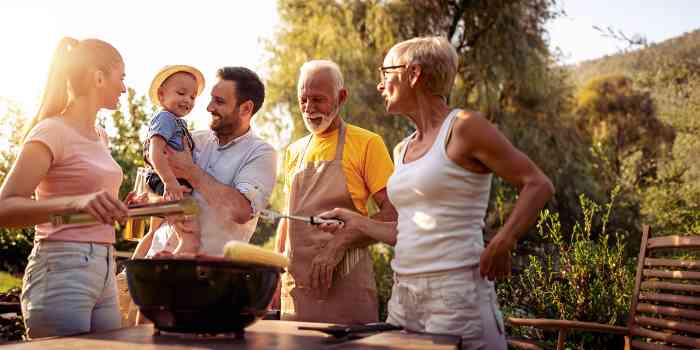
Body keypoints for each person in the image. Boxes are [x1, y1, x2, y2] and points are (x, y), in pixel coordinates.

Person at [317, 37, 555, 348]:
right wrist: (356, 221)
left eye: (385, 73)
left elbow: (537, 184)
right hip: (404, 299)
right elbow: (407, 232)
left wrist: (503, 240)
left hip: (456, 298)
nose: (379, 85)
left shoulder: (464, 127)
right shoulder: (402, 149)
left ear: (413, 73)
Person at [0, 37, 130, 338]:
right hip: (62, 267)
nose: (124, 88)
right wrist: (76, 202)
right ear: (98, 77)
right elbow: (4, 207)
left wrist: (121, 204)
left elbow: (90, 198)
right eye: (120, 77)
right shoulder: (50, 131)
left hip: (105, 265)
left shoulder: (100, 135)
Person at [275, 60, 397, 324]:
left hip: (347, 285)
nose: (308, 109)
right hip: (295, 291)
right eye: (303, 99)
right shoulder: (293, 151)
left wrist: (338, 244)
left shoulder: (367, 143)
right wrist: (274, 277)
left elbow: (393, 214)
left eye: (318, 99)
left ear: (341, 97)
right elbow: (287, 218)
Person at [131, 66, 277, 259]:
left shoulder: (261, 153)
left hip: (207, 278)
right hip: (155, 261)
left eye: (219, 101)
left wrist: (190, 171)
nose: (209, 107)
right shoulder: (192, 138)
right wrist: (162, 203)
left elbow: (241, 211)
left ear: (246, 109)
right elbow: (148, 188)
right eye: (210, 99)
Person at [141, 65, 205, 256]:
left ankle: (131, 270)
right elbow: (155, 151)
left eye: (193, 97)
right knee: (190, 233)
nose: (187, 99)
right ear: (161, 95)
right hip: (165, 179)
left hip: (171, 179)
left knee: (159, 232)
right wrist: (170, 182)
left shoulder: (178, 121)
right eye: (181, 93)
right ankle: (173, 266)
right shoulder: (165, 118)